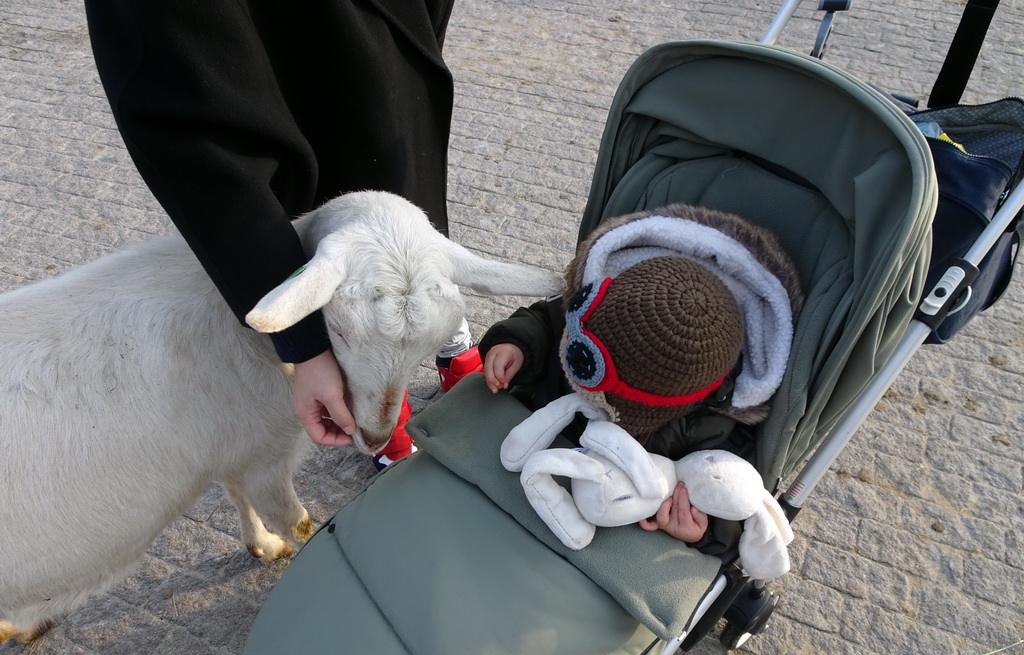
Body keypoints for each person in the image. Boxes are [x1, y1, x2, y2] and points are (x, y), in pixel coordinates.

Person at [84, 0, 464, 461]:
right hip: (275, 77)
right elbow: (184, 113)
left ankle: (437, 330)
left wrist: (415, 59)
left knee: (409, 218)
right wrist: (303, 343)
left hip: (389, 69)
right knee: (337, 249)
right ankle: (372, 364)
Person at [487, 202, 806, 555]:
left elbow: (736, 492)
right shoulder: (602, 314)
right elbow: (549, 319)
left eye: (598, 390)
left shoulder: (711, 429)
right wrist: (516, 342)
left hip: (605, 526)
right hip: (530, 454)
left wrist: (703, 530)